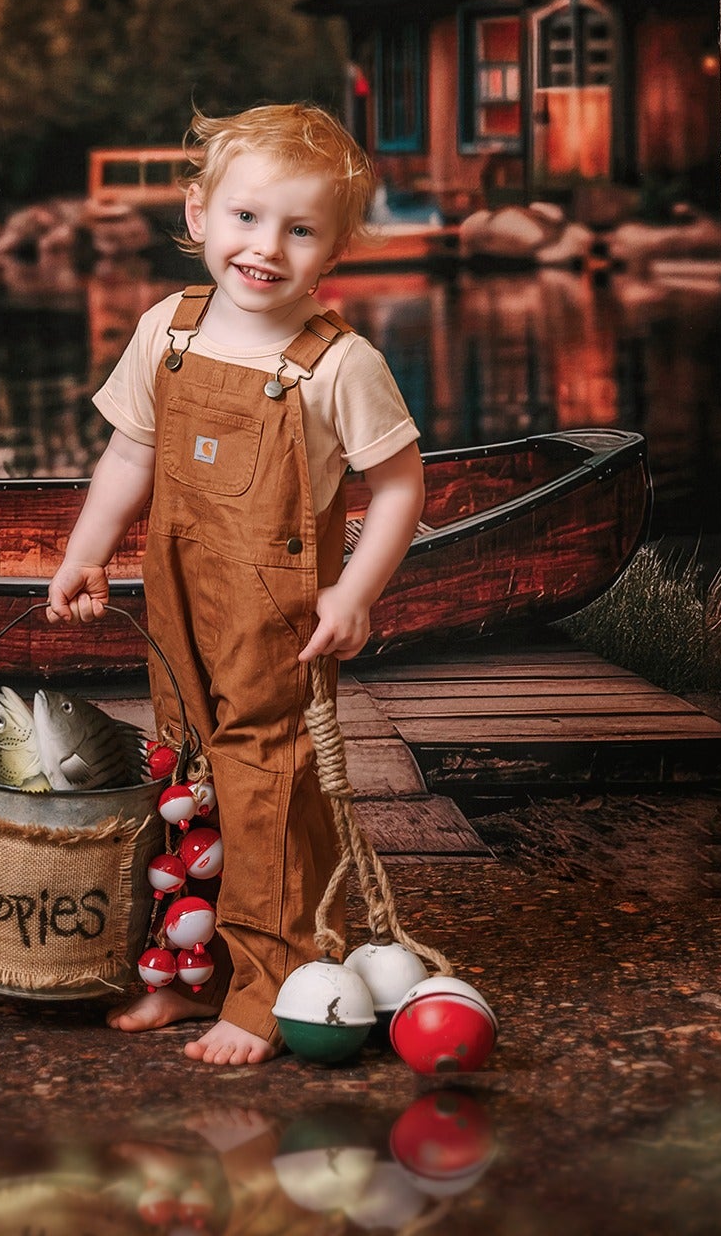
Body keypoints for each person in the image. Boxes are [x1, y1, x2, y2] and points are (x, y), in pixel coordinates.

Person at [47, 103, 426, 1066]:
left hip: (277, 619)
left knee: (267, 787)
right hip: (177, 604)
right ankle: (183, 972)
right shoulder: (165, 332)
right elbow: (130, 454)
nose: (266, 249)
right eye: (247, 219)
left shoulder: (337, 364)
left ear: (334, 249)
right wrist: (87, 549)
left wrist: (356, 593)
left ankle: (268, 990)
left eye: (300, 230)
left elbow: (398, 486)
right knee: (180, 780)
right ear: (198, 213)